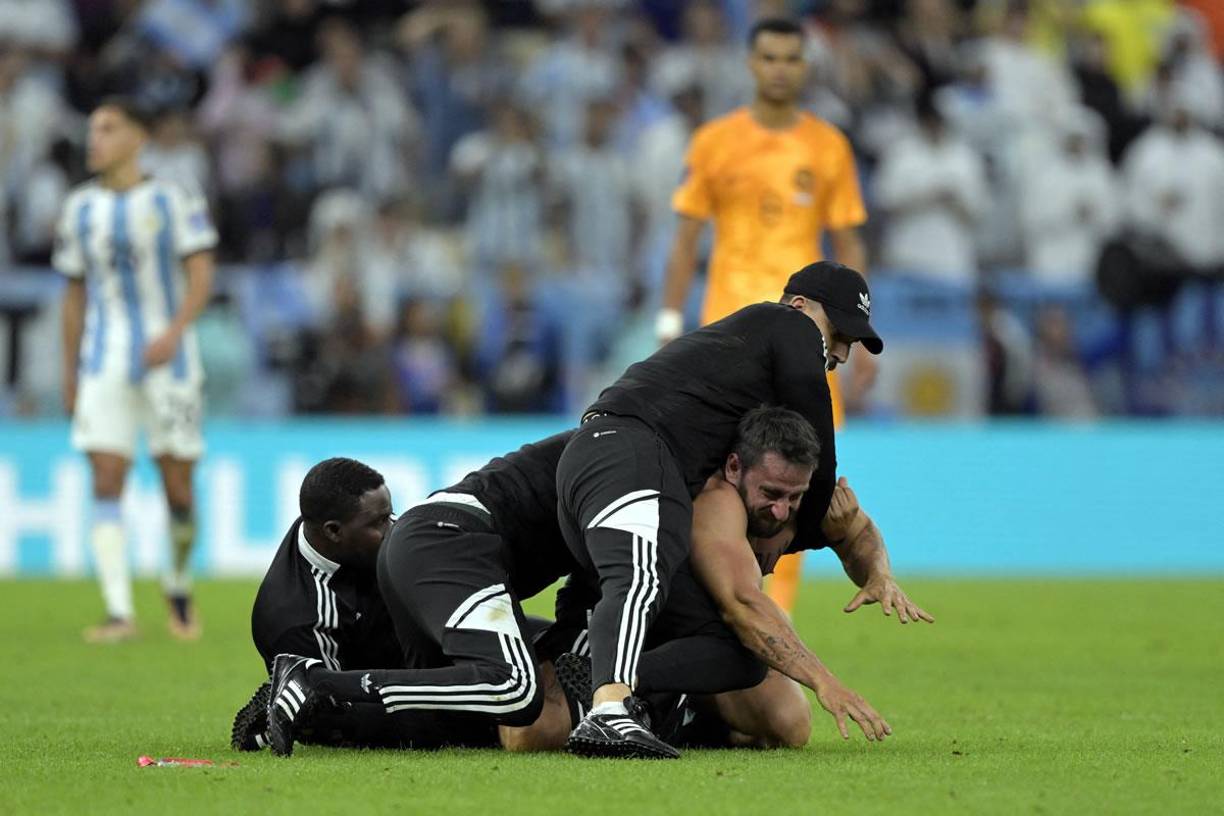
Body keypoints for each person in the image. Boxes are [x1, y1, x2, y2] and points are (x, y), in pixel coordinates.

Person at [559, 260, 883, 758]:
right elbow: (819, 453)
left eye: (852, 341)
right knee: (639, 579)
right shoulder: (788, 324)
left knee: (737, 650)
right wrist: (798, 526)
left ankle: (616, 679)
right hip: (628, 451)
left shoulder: (737, 374)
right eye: (837, 331)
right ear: (800, 305)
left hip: (607, 454)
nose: (839, 351)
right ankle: (608, 700)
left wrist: (871, 564)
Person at [657, 17, 874, 617]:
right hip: (727, 338)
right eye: (770, 58)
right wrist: (669, 320)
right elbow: (684, 241)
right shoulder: (714, 143)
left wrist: (858, 336)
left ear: (805, 66)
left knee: (794, 476)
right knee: (716, 474)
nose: (780, 69)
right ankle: (709, 598)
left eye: (791, 59)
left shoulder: (828, 146)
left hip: (812, 340)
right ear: (752, 65)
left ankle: (773, 605)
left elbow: (850, 245)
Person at [553, 406, 929, 750]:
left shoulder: (804, 500)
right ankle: (605, 675)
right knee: (534, 734)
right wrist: (824, 682)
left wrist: (879, 575)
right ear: (734, 468)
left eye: (793, 497)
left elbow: (859, 532)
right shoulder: (716, 503)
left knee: (789, 726)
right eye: (771, 493)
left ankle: (672, 714)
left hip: (701, 638)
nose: (781, 510)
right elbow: (743, 605)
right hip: (639, 620)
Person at [55, 96, 216, 643]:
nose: (94, 139)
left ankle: (176, 584)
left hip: (169, 362)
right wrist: (70, 369)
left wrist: (173, 333)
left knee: (179, 491)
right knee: (105, 477)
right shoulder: (78, 207)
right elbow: (74, 296)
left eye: (108, 128)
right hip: (104, 362)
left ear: (137, 138)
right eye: (92, 128)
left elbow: (201, 274)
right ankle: (119, 611)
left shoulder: (174, 199)